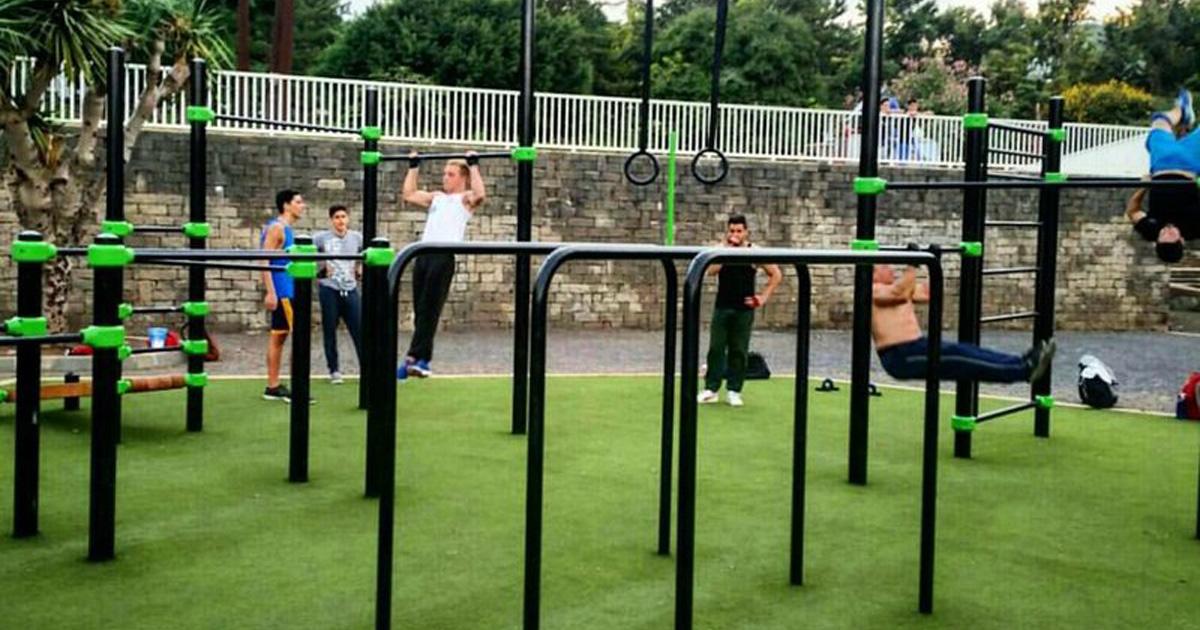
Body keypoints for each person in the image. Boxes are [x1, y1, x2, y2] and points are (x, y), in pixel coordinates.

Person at [871, 263, 1056, 382]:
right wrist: (912, 266)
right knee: (963, 359)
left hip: (917, 347)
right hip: (900, 356)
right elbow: (899, 293)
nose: (891, 269)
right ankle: (1024, 371)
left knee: (969, 351)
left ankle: (1021, 361)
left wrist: (932, 263)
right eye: (884, 267)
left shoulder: (897, 287)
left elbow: (929, 293)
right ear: (873, 273)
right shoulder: (871, 290)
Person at [396, 151, 486, 381]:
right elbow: (409, 194)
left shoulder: (465, 199)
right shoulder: (436, 197)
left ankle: (417, 360)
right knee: (420, 310)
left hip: (442, 257)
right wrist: (413, 167)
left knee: (430, 310)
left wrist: (474, 165)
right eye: (445, 174)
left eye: (450, 174)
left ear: (462, 178)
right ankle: (418, 360)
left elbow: (480, 194)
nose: (445, 178)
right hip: (422, 255)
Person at [697, 215, 782, 407]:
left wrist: (762, 297)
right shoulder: (720, 251)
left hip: (744, 309)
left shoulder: (754, 252)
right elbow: (711, 271)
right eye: (732, 231)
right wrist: (726, 249)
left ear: (746, 232)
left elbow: (776, 274)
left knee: (739, 351)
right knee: (716, 348)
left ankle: (734, 390)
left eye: (739, 231)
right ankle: (711, 388)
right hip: (722, 307)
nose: (735, 234)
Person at [1125, 89, 1200, 263]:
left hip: (1162, 163)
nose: (1166, 230)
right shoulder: (1195, 228)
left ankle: (1183, 112)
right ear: (1181, 240)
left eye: (1162, 235)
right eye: (1171, 235)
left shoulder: (1150, 230)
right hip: (1190, 164)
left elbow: (1133, 211)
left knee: (1159, 121)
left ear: (1156, 240)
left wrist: (1144, 186)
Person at [261, 189, 304, 402]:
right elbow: (264, 260)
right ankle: (297, 388)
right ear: (286, 205)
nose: (302, 205)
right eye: (298, 202)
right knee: (299, 338)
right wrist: (271, 292)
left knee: (278, 337)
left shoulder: (287, 230)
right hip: (284, 292)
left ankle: (273, 386)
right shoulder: (277, 229)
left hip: (288, 290)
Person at [313, 204, 363, 385]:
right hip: (329, 289)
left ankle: (367, 369)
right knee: (330, 330)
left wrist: (359, 267)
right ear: (331, 220)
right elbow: (304, 253)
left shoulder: (357, 238)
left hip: (350, 289)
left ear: (348, 218)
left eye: (343, 216)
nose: (340, 220)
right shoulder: (321, 239)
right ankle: (334, 370)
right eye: (337, 217)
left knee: (359, 330)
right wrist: (320, 268)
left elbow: (366, 254)